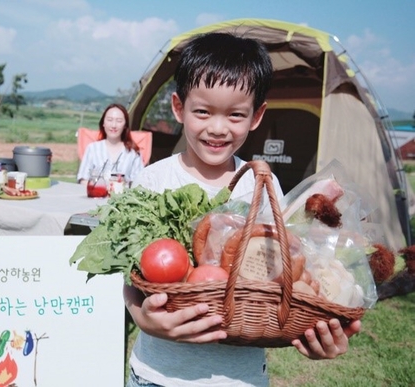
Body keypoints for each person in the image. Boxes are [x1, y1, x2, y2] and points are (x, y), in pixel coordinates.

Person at [124, 32, 362, 387]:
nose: (217, 128)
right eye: (202, 111)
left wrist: (309, 331)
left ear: (256, 116)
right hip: (157, 374)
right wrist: (142, 318)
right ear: (178, 108)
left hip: (240, 378)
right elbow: (126, 274)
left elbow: (285, 270)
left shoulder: (263, 186)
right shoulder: (152, 181)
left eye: (235, 115)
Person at [76, 103, 144, 185]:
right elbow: (83, 179)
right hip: (97, 195)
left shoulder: (133, 152)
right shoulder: (92, 149)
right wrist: (102, 187)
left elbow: (139, 183)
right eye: (109, 120)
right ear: (103, 123)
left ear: (125, 125)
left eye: (119, 121)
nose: (113, 125)